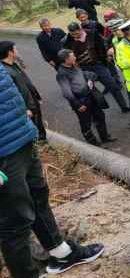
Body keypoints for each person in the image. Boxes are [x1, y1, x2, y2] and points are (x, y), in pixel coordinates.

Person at [0, 64, 104, 278]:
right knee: (15, 224)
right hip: (4, 156)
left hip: (22, 140)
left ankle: (62, 253)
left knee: (39, 199)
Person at [63, 22, 130, 113]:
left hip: (97, 65)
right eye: (72, 34)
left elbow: (103, 44)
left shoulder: (92, 34)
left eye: (76, 33)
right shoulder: (68, 41)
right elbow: (66, 55)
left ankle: (124, 107)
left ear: (80, 29)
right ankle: (95, 116)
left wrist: (106, 56)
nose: (75, 36)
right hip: (83, 69)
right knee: (88, 92)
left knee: (113, 86)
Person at [56, 49, 117, 146]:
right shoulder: (61, 74)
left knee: (100, 116)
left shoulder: (74, 66)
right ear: (66, 60)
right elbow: (67, 93)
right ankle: (94, 144)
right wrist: (78, 105)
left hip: (90, 96)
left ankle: (104, 137)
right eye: (73, 56)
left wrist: (89, 79)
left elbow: (86, 74)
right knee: (86, 124)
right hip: (81, 102)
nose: (75, 57)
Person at [0, 41, 46, 144]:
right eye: (15, 49)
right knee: (35, 130)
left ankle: (43, 142)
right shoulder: (5, 71)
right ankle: (41, 145)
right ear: (10, 52)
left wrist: (36, 96)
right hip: (26, 108)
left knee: (40, 125)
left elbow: (26, 83)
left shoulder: (13, 64)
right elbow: (10, 94)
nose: (17, 51)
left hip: (32, 101)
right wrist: (25, 109)